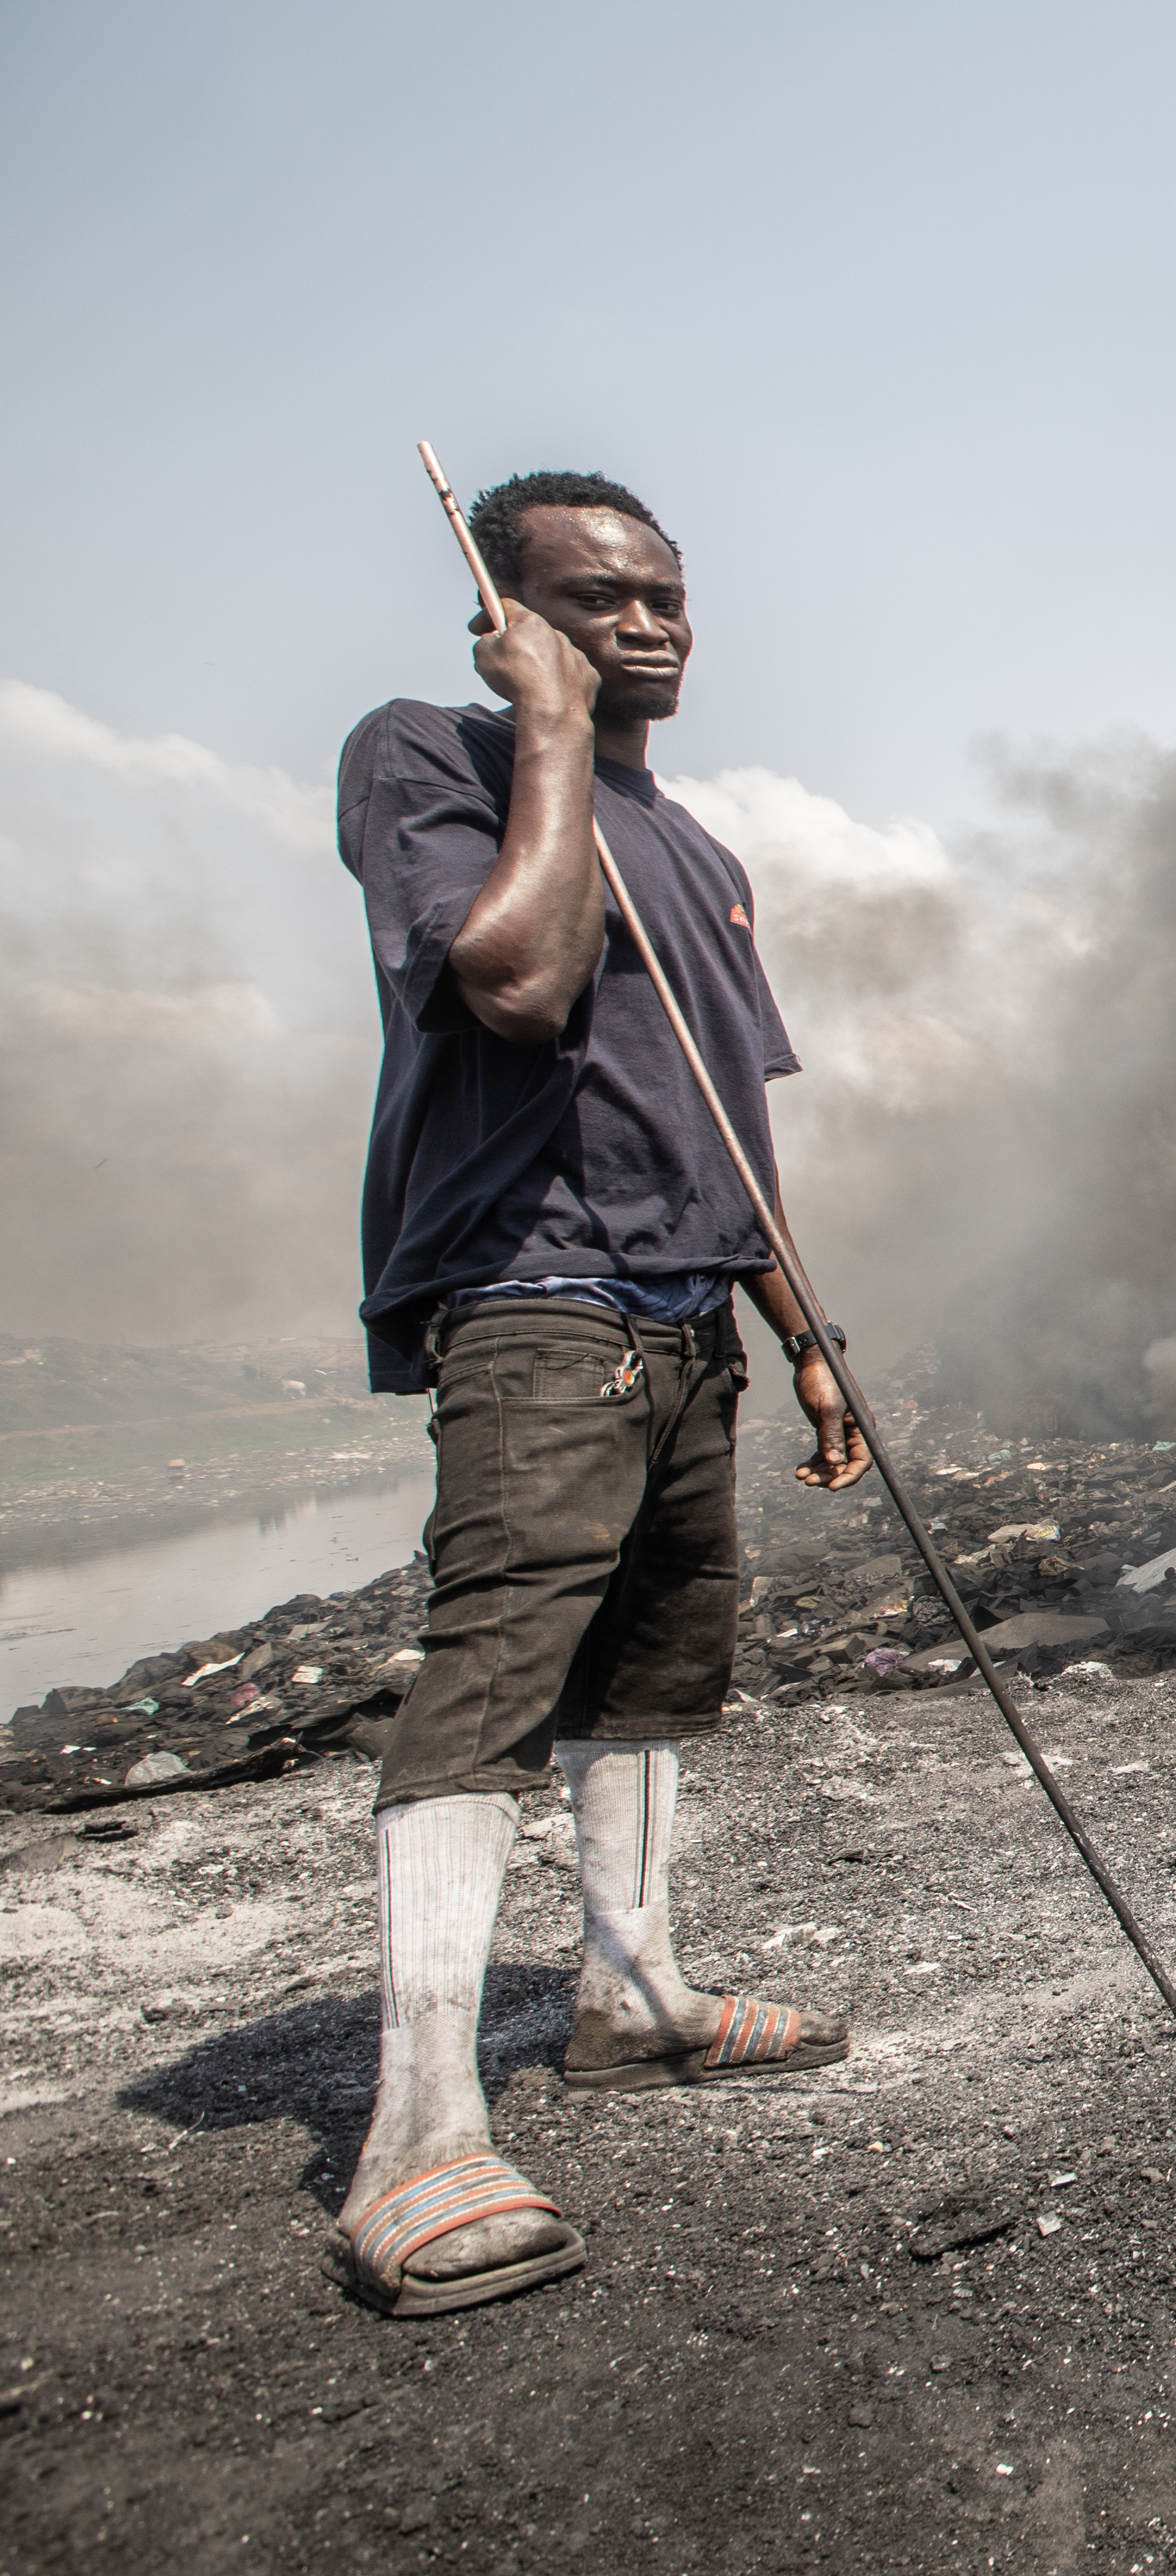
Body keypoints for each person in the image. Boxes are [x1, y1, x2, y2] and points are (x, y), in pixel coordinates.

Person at [331, 470, 867, 2316]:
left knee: (658, 1664)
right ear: (508, 610)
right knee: (495, 1668)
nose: (653, 626)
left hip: (684, 1314)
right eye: (599, 601)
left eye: (668, 597)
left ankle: (631, 1997)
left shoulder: (705, 853)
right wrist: (544, 731)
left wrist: (806, 1340)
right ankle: (418, 2127)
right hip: (534, 1295)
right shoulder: (434, 758)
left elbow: (739, 1127)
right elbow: (514, 982)